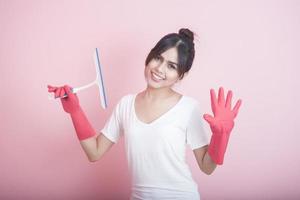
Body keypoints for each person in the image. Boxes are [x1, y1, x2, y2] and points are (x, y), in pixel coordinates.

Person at [47, 28, 242, 200]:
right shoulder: (126, 104)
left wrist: (221, 137)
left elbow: (207, 166)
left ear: (181, 75)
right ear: (150, 56)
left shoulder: (188, 108)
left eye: (171, 66)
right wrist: (75, 111)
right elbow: (94, 152)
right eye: (158, 58)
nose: (159, 69)